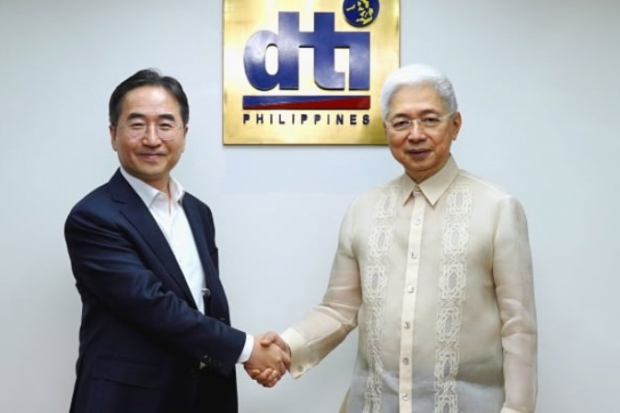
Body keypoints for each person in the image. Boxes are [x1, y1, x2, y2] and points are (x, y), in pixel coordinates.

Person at [256, 64, 537, 413]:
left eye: (430, 119)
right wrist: (285, 346)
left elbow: (519, 328)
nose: (415, 134)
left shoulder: (497, 208)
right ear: (386, 130)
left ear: (455, 125)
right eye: (401, 122)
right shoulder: (364, 208)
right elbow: (339, 309)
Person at [64, 69, 288, 413]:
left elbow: (203, 303)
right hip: (127, 401)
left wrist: (243, 352)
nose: (152, 139)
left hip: (204, 395)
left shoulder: (198, 212)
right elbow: (153, 306)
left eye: (166, 125)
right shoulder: (94, 217)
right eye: (137, 125)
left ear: (184, 135)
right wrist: (248, 349)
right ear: (113, 135)